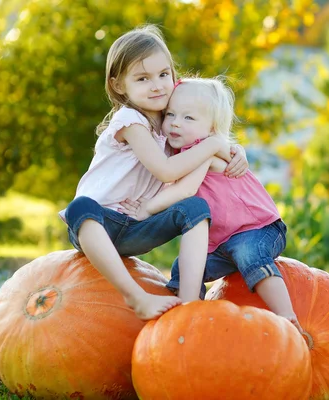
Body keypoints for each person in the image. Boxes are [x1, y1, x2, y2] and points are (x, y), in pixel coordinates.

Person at [60, 26, 249, 320]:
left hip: (137, 225)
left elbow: (203, 127)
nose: (157, 85)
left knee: (196, 208)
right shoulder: (130, 121)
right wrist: (215, 144)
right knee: (80, 206)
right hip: (98, 225)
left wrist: (232, 149)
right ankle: (136, 297)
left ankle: (188, 305)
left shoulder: (170, 120)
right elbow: (165, 170)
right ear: (119, 85)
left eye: (164, 74)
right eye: (143, 78)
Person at [123, 77, 302, 332]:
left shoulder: (204, 149)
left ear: (212, 129)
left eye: (189, 118)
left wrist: (146, 209)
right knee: (185, 267)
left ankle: (287, 317)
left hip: (257, 230)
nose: (175, 122)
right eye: (171, 114)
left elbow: (185, 189)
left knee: (248, 254)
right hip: (220, 243)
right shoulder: (178, 153)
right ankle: (184, 317)